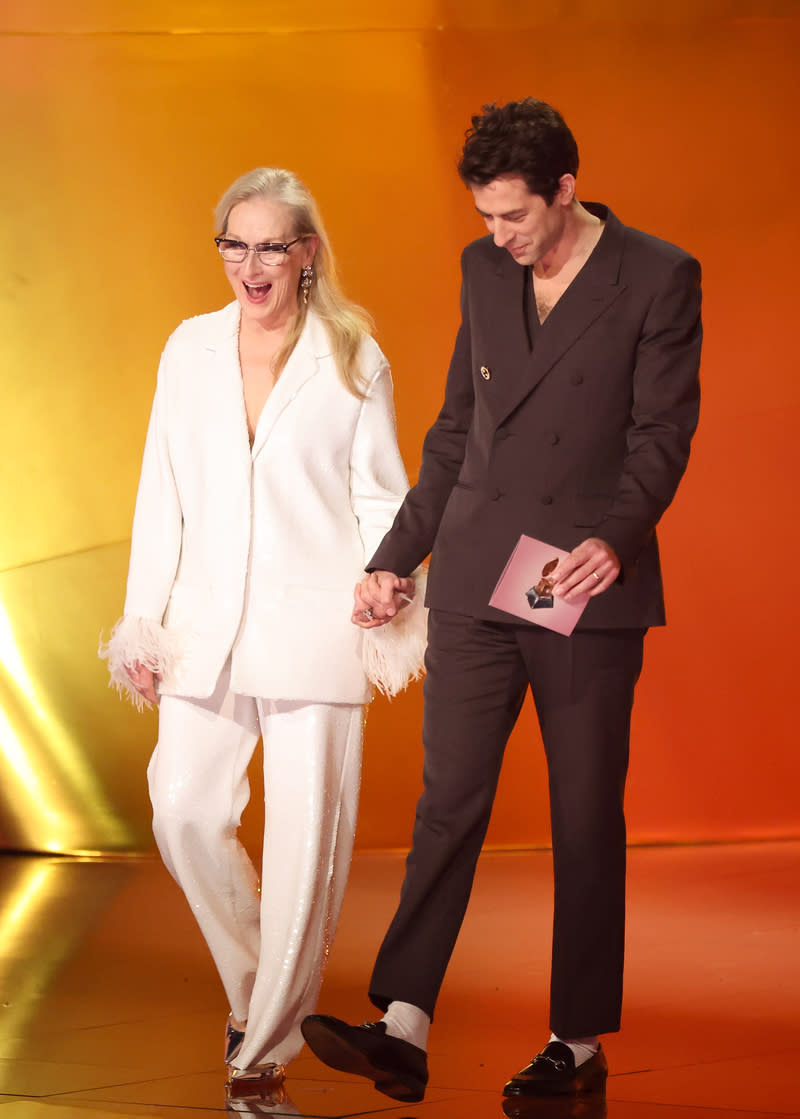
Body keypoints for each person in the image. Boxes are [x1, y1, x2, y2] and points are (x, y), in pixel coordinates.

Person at [301, 98, 702, 1102]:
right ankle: (402, 1019)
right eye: (484, 217)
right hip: (481, 572)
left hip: (575, 575)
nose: (497, 237)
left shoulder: (656, 275)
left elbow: (660, 432)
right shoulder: (485, 272)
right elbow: (454, 430)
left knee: (579, 816)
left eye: (514, 216)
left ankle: (573, 1041)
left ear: (565, 189)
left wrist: (612, 538)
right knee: (448, 800)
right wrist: (397, 557)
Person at [99, 167, 425, 1099]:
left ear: (306, 253)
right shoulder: (188, 349)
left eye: (271, 245)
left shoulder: (353, 356)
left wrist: (390, 581)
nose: (250, 264)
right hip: (206, 623)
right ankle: (259, 989)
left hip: (317, 622)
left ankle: (263, 1048)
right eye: (234, 244)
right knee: (184, 809)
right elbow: (159, 491)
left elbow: (381, 492)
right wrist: (144, 621)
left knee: (306, 844)